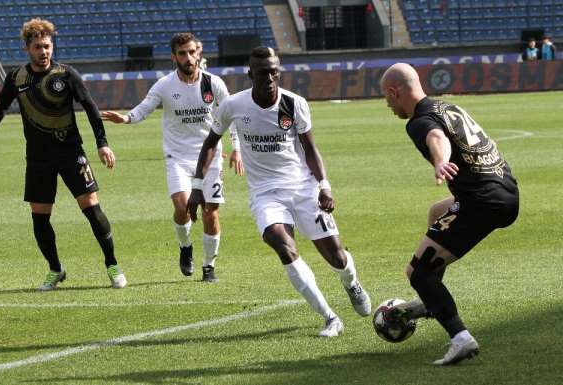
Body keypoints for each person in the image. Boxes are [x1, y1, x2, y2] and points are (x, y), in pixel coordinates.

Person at [187, 46, 372, 337]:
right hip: (265, 192)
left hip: (303, 187)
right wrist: (197, 186)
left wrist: (324, 186)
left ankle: (351, 283)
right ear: (251, 74)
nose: (270, 77)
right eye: (263, 73)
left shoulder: (293, 103)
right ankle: (330, 317)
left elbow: (310, 148)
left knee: (336, 257)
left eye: (274, 71)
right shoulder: (233, 106)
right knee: (280, 242)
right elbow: (211, 142)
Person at [379, 63, 519, 365]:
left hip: (482, 201)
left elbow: (436, 138)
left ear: (394, 91)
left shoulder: (418, 121)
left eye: (386, 98)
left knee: (417, 272)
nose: (388, 105)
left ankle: (460, 338)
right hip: (506, 190)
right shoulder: (446, 105)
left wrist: (441, 162)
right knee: (437, 211)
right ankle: (432, 301)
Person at [0, 18, 127, 290]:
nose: (44, 51)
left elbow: (90, 107)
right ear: (27, 48)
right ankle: (55, 269)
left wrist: (102, 143)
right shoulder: (17, 77)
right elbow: (1, 106)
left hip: (71, 153)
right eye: (38, 47)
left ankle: (112, 264)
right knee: (39, 216)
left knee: (92, 209)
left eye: (47, 46)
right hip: (38, 158)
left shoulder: (66, 74)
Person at [102, 32, 243, 283]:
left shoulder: (214, 83)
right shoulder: (165, 85)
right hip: (177, 156)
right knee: (182, 207)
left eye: (191, 52)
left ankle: (209, 267)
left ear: (198, 53)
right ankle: (185, 246)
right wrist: (125, 118)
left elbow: (229, 116)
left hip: (209, 157)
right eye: (182, 53)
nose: (188, 58)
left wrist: (237, 149)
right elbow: (144, 108)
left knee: (211, 212)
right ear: (173, 57)